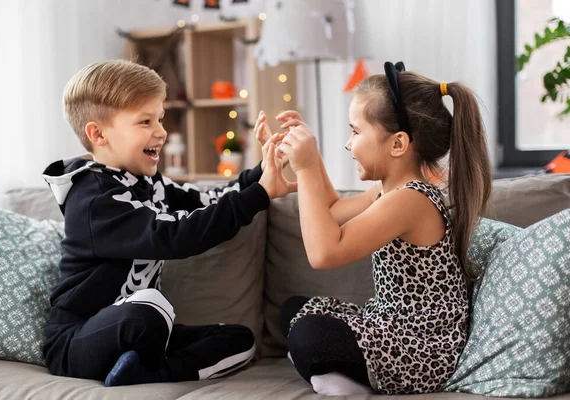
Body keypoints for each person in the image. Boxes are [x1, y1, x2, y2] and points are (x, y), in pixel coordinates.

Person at [42, 60, 294, 386]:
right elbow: (174, 234)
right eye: (145, 121)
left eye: (159, 118)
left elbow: (206, 200)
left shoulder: (147, 182)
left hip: (146, 330)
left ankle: (151, 372)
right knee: (150, 306)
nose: (161, 132)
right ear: (98, 133)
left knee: (240, 339)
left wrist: (262, 172)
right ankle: (138, 363)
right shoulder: (93, 201)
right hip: (77, 341)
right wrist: (258, 195)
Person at [270, 61, 492, 395]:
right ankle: (345, 373)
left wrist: (302, 168)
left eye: (356, 132)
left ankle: (350, 381)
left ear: (398, 144)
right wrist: (312, 160)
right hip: (388, 324)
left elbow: (324, 253)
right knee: (292, 310)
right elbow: (333, 210)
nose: (348, 144)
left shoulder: (410, 200)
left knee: (308, 335)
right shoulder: (388, 190)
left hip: (421, 350)